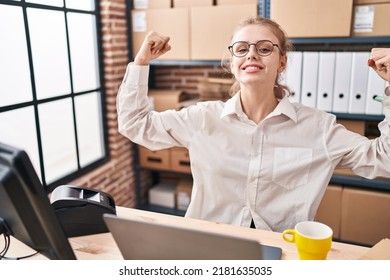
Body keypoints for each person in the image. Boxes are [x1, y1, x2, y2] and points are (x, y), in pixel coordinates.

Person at [117, 16, 390, 232]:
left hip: (282, 254)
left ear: (281, 61)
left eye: (264, 48)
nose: (251, 54)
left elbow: (383, 159)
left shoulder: (318, 127)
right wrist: (141, 63)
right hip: (209, 248)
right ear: (232, 63)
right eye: (241, 49)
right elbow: (135, 124)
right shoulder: (203, 117)